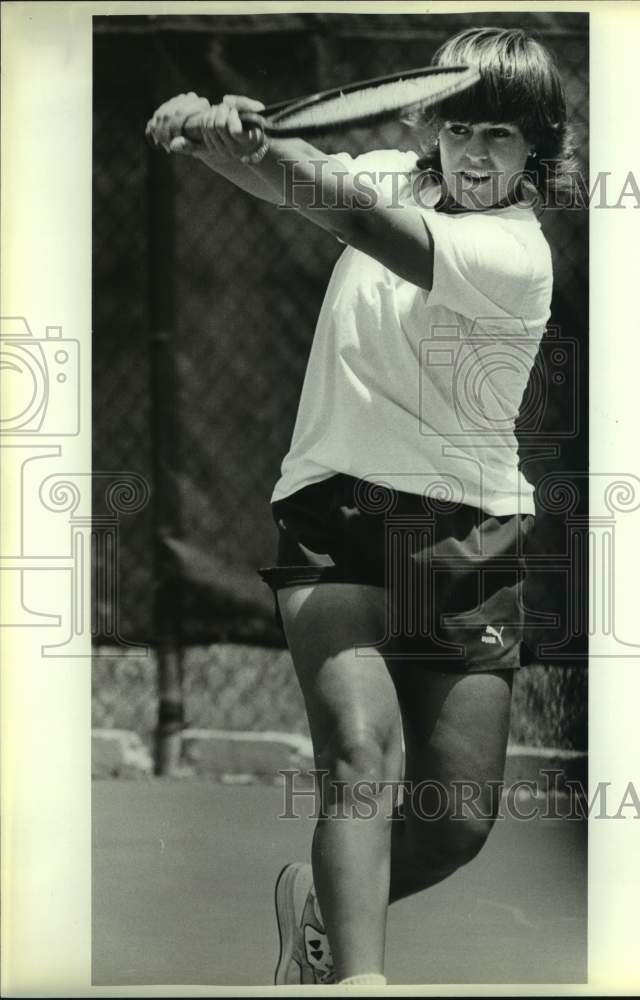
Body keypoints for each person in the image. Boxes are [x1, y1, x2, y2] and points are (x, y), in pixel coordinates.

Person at [147, 26, 572, 987]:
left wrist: (264, 145)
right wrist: (217, 138)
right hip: (334, 509)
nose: (474, 153)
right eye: (461, 128)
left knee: (458, 824)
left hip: (469, 534)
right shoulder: (384, 169)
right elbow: (294, 187)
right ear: (433, 128)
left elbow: (357, 223)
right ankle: (360, 985)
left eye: (501, 136)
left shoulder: (517, 254)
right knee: (358, 755)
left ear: (536, 151)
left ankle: (315, 900)